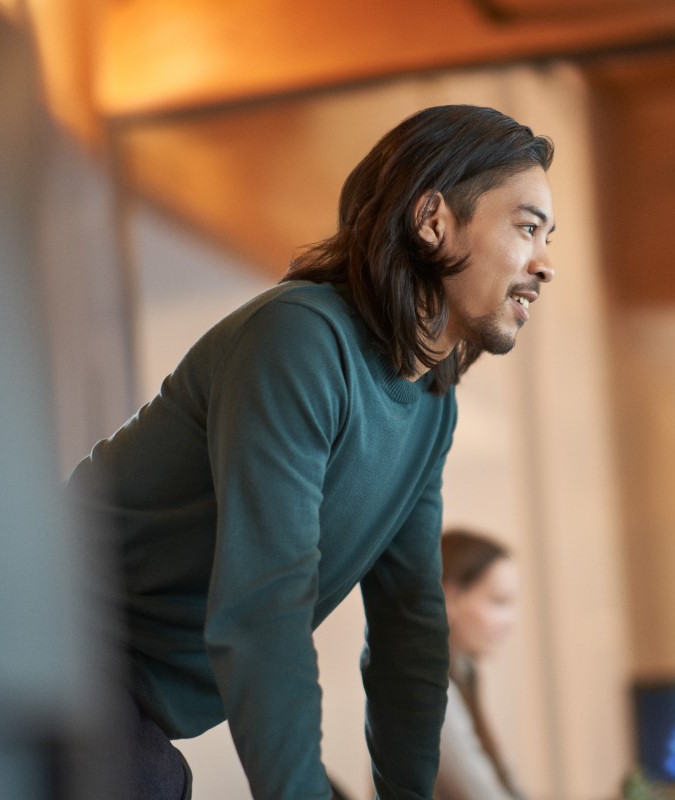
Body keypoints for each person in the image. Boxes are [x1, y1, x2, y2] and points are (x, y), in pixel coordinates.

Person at [64, 104, 556, 799]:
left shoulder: (430, 406)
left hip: (122, 697)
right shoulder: (299, 340)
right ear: (433, 220)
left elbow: (409, 630)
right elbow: (263, 612)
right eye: (527, 228)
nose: (545, 263)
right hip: (43, 637)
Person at [436, 529, 525, 800]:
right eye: (499, 602)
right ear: (450, 597)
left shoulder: (463, 673)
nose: (511, 620)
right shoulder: (430, 689)